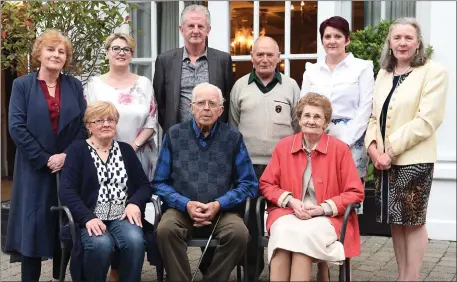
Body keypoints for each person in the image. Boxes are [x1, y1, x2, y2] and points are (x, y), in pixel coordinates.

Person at [365, 17, 448, 281]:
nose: (402, 43)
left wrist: (390, 150)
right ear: (389, 43)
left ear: (418, 43)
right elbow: (373, 117)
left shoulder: (434, 72)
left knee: (413, 222)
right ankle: (402, 275)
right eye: (397, 37)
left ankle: (411, 277)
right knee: (396, 222)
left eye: (408, 38)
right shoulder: (384, 73)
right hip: (383, 161)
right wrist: (373, 149)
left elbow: (427, 120)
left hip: (414, 159)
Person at [153, 82, 258, 282]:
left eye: (212, 104)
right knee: (165, 230)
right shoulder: (174, 135)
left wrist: (220, 204)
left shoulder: (233, 138)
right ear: (191, 107)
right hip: (182, 210)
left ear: (221, 110)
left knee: (239, 234)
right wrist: (186, 204)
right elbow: (159, 182)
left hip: (221, 212)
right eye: (201, 103)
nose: (206, 108)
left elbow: (249, 184)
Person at [4, 29, 87, 282]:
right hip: (33, 169)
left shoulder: (73, 85)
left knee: (64, 225)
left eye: (61, 51)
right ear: (39, 53)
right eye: (50, 49)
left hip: (67, 167)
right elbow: (16, 126)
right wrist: (44, 158)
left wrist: (65, 156)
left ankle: (59, 277)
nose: (56, 55)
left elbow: (84, 126)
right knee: (32, 228)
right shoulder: (22, 85)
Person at [259, 93, 364, 282]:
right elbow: (266, 184)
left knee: (303, 236)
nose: (311, 121)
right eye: (307, 116)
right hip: (288, 212)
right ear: (299, 120)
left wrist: (322, 208)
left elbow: (355, 192)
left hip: (327, 216)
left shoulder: (339, 149)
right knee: (282, 232)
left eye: (317, 117)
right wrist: (290, 200)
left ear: (326, 122)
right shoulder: (284, 147)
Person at [229, 36, 300, 280]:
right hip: (248, 167)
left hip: (282, 167)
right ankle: (251, 271)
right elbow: (233, 126)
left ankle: (283, 269)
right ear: (252, 57)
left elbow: (297, 126)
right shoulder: (240, 86)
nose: (265, 59)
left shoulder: (290, 86)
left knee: (283, 218)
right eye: (260, 54)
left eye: (270, 55)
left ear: (278, 58)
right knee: (250, 220)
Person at [59, 101, 153, 282]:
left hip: (122, 215)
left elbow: (144, 185)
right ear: (88, 126)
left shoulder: (125, 150)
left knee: (134, 241)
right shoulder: (77, 150)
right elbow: (67, 190)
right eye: (99, 120)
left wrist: (134, 203)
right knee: (101, 244)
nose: (106, 124)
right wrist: (87, 217)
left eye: (111, 119)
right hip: (90, 216)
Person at [300, 16, 374, 181]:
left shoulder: (362, 68)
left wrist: (347, 141)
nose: (332, 41)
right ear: (322, 41)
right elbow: (303, 107)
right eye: (327, 37)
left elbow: (366, 108)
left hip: (351, 139)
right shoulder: (311, 70)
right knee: (317, 191)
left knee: (349, 196)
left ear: (347, 40)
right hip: (315, 138)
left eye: (337, 36)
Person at [84, 33, 158, 181]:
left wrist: (133, 147)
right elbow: (89, 123)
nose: (121, 53)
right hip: (104, 155)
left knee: (139, 200)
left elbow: (152, 121)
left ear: (131, 55)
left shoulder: (144, 84)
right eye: (116, 48)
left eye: (127, 49)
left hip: (140, 154)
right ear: (107, 53)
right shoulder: (93, 85)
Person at [153, 4, 233, 133]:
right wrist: (172, 128)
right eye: (191, 26)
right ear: (181, 29)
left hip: (214, 135)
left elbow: (227, 99)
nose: (196, 31)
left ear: (208, 30)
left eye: (200, 26)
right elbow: (161, 102)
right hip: (177, 135)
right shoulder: (165, 61)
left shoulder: (222, 60)